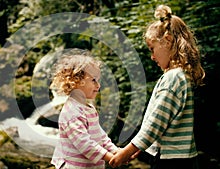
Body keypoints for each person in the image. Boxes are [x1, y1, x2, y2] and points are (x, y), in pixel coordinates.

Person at [109, 4, 205, 169]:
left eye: (152, 49)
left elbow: (155, 124)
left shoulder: (173, 78)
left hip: (172, 161)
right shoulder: (180, 76)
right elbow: (163, 123)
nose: (152, 57)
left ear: (167, 41)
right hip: (183, 158)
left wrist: (125, 152)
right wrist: (140, 148)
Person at [50, 49, 119, 169]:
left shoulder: (88, 107)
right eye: (93, 80)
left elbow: (100, 135)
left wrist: (115, 151)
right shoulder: (71, 112)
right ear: (76, 81)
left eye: (98, 80)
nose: (98, 85)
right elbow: (84, 144)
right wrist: (110, 157)